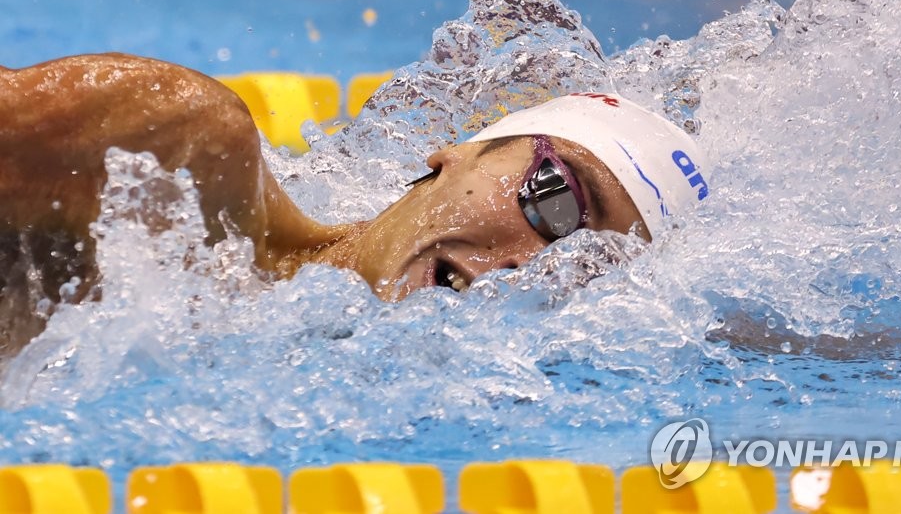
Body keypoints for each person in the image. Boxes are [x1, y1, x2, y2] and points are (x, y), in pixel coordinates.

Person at [0, 53, 709, 353]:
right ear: (452, 152)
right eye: (553, 201)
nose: (529, 265)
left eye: (586, 267)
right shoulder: (182, 154)